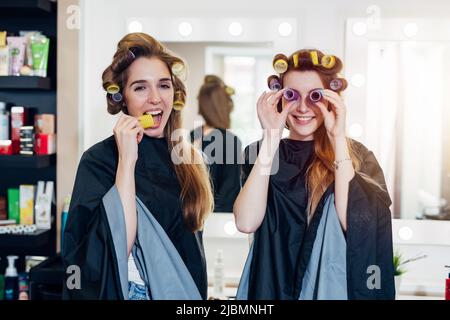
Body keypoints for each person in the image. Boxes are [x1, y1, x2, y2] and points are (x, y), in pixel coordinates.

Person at [233, 49, 395, 300]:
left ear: (331, 99)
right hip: (272, 287)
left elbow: (356, 228)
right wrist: (271, 138)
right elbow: (246, 222)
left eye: (315, 97)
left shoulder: (358, 156)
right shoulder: (259, 153)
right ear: (279, 97)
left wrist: (337, 139)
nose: (302, 107)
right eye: (291, 95)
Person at [62, 33, 213, 300]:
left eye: (164, 85)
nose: (155, 98)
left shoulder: (188, 158)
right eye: (141, 87)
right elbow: (116, 245)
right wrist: (127, 160)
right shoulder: (99, 160)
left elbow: (192, 250)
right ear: (123, 98)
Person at [190, 75, 242, 212]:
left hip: (188, 217)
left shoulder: (189, 136)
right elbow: (230, 192)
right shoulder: (230, 141)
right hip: (215, 220)